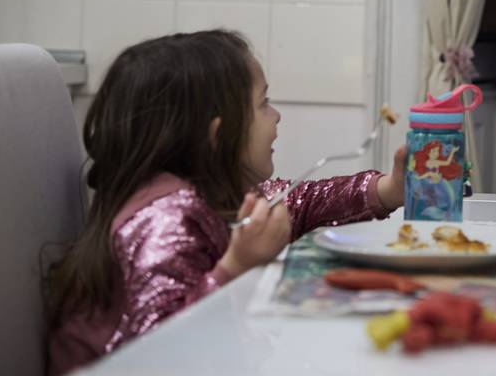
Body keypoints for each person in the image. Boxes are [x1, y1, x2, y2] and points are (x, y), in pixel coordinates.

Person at [45, 30, 406, 374]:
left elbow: (297, 201)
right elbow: (164, 353)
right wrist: (237, 266)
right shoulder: (167, 217)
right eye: (263, 103)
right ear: (218, 135)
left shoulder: (213, 193)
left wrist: (387, 189)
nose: (276, 115)